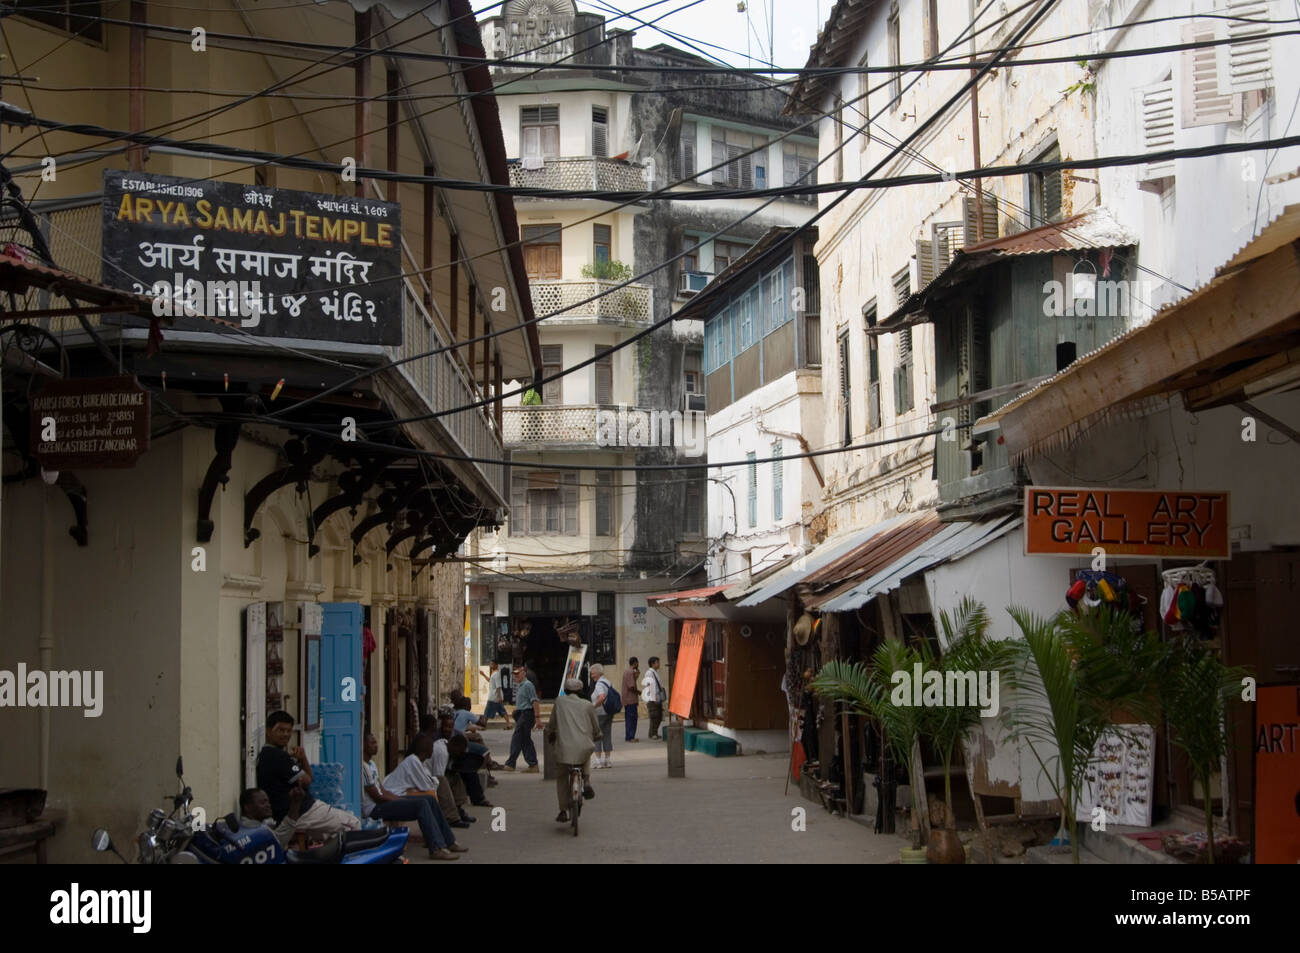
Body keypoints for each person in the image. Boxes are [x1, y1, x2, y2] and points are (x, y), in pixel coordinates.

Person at [360, 733, 465, 861]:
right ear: (363, 746)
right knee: (421, 804)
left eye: (375, 742)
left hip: (383, 803)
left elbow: (382, 789)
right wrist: (399, 800)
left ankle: (449, 841)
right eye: (372, 743)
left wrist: (399, 799)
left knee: (429, 800)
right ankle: (436, 848)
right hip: (374, 809)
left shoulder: (372, 764)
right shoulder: (363, 767)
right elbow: (377, 797)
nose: (376, 746)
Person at [256, 710, 361, 834]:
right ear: (268, 731)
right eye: (280, 730)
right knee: (353, 823)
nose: (285, 734)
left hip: (299, 810)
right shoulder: (277, 756)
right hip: (299, 813)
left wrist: (301, 758)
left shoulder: (269, 754)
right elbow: (307, 781)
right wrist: (303, 759)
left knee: (330, 833)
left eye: (289, 731)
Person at [547, 677, 601, 823]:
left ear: (565, 691)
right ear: (581, 691)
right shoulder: (587, 705)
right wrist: (598, 735)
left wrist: (550, 732)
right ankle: (587, 780)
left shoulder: (559, 702)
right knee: (586, 752)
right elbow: (596, 727)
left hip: (564, 748)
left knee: (562, 776)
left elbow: (552, 724)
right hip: (583, 746)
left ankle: (563, 810)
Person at [439, 712, 494, 809]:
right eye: (445, 726)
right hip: (441, 765)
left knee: (469, 771)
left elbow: (466, 751)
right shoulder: (437, 738)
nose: (447, 730)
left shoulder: (458, 734)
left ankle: (478, 798)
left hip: (455, 761)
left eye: (450, 727)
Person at [238, 784, 305, 848]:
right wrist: (295, 803)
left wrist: (296, 802)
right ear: (247, 807)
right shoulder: (252, 830)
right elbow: (279, 840)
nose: (268, 805)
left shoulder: (256, 826)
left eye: (268, 802)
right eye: (263, 802)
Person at [501, 665, 540, 772]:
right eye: (514, 674)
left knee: (517, 738)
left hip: (527, 714)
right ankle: (533, 764)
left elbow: (535, 701)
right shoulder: (521, 686)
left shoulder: (528, 685)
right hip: (522, 714)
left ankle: (511, 763)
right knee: (525, 740)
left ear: (524, 673)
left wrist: (537, 718)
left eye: (518, 673)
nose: (516, 676)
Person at [589, 663, 616, 768]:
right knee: (607, 735)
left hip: (600, 713)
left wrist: (594, 706)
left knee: (597, 736)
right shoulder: (607, 682)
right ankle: (608, 760)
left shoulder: (599, 684)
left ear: (598, 673)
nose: (592, 676)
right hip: (609, 712)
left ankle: (598, 761)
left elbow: (602, 697)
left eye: (592, 674)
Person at [643, 656, 667, 741]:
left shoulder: (654, 672)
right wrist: (654, 697)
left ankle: (654, 733)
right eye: (657, 662)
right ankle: (653, 733)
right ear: (653, 663)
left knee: (658, 715)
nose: (659, 664)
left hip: (656, 697)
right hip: (653, 698)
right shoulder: (649, 673)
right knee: (655, 716)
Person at [482, 662, 510, 728]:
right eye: (490, 664)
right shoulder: (493, 673)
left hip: (494, 696)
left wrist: (500, 696)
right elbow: (490, 680)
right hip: (495, 696)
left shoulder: (496, 674)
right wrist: (483, 674)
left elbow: (498, 686)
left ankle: (483, 725)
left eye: (492, 664)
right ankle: (509, 724)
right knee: (502, 710)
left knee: (487, 711)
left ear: (496, 665)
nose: (491, 665)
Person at [621, 657, 641, 743]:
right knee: (632, 719)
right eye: (637, 663)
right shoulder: (630, 672)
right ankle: (630, 736)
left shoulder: (628, 671)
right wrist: (638, 692)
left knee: (629, 718)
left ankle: (629, 736)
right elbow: (631, 686)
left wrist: (636, 675)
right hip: (630, 699)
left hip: (628, 699)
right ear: (635, 663)